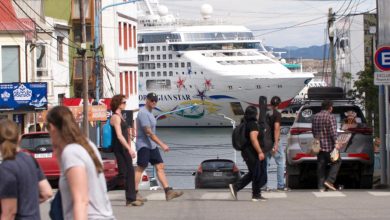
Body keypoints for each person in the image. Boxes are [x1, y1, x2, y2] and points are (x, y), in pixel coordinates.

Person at [45, 106, 116, 219]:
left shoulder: (71, 152)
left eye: (47, 127)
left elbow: (81, 201)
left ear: (52, 127)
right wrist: (57, 149)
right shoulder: (87, 146)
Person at [135, 92, 183, 201]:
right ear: (146, 100)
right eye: (151, 100)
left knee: (160, 166)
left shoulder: (150, 113)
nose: (153, 102)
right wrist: (162, 144)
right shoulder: (143, 113)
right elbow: (148, 132)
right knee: (141, 168)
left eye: (155, 100)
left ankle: (168, 191)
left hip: (152, 145)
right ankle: (134, 193)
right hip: (143, 145)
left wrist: (157, 144)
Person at [0, 119, 53, 220]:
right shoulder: (30, 159)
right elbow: (47, 192)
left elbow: (9, 212)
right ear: (19, 138)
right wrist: (27, 204)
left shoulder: (6, 168)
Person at [108, 94, 143, 206]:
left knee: (130, 173)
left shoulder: (121, 115)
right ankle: (100, 189)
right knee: (123, 174)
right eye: (123, 102)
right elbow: (119, 135)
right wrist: (129, 149)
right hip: (119, 148)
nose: (125, 104)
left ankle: (131, 198)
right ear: (118, 103)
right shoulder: (115, 117)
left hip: (123, 148)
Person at [229, 106, 267, 202]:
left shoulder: (247, 123)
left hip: (248, 152)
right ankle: (239, 188)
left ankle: (255, 193)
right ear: (254, 114)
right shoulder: (252, 125)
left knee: (255, 173)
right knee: (256, 173)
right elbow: (254, 139)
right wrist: (260, 152)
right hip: (251, 153)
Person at [312, 100, 342, 192]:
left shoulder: (315, 116)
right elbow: (333, 131)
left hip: (319, 146)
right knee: (337, 161)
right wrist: (336, 143)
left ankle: (321, 187)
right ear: (330, 107)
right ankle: (329, 181)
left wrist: (317, 141)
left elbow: (313, 130)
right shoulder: (330, 116)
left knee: (321, 165)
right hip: (329, 146)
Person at [265, 96, 289, 191]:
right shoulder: (277, 114)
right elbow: (276, 128)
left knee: (265, 164)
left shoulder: (265, 113)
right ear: (279, 104)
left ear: (270, 103)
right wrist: (276, 143)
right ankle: (280, 185)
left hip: (264, 142)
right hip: (273, 141)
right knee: (280, 162)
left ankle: (264, 185)